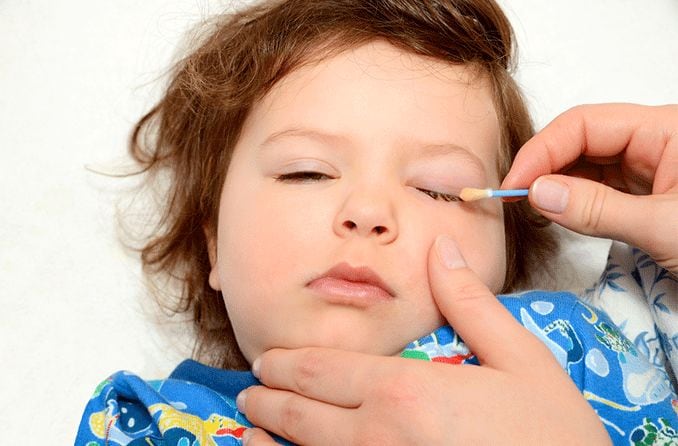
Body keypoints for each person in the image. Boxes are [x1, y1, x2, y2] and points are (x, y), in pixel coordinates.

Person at [75, 0, 677, 444]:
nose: (366, 213)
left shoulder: (598, 344)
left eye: (436, 190)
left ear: (506, 266)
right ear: (214, 250)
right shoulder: (142, 423)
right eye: (305, 173)